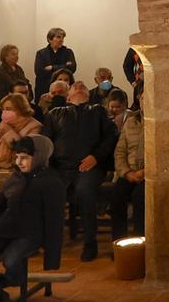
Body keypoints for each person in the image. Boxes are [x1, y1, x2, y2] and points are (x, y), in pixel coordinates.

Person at [0, 135, 61, 302]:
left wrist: (51, 256)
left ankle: (8, 281)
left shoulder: (50, 182)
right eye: (17, 157)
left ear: (39, 157)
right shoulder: (15, 178)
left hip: (29, 232)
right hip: (5, 229)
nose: (19, 162)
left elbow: (54, 220)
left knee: (11, 260)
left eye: (25, 158)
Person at [46, 82, 109, 260]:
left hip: (90, 166)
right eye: (75, 86)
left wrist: (95, 157)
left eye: (83, 86)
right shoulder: (55, 113)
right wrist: (51, 169)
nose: (80, 86)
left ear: (89, 96)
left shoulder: (97, 111)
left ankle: (90, 244)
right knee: (46, 189)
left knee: (85, 191)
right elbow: (47, 142)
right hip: (61, 168)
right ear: (68, 96)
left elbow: (110, 137)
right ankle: (50, 244)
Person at [100, 89, 145, 238]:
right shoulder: (131, 121)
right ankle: (119, 242)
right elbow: (120, 151)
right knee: (117, 197)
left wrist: (144, 172)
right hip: (129, 172)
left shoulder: (160, 123)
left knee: (140, 198)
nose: (145, 102)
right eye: (143, 99)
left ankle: (140, 241)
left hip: (148, 175)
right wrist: (126, 172)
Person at [0, 93, 42, 172]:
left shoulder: (34, 126)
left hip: (17, 171)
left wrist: (8, 131)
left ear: (20, 109)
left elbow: (24, 149)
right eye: (3, 109)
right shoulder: (2, 125)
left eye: (8, 109)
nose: (4, 112)